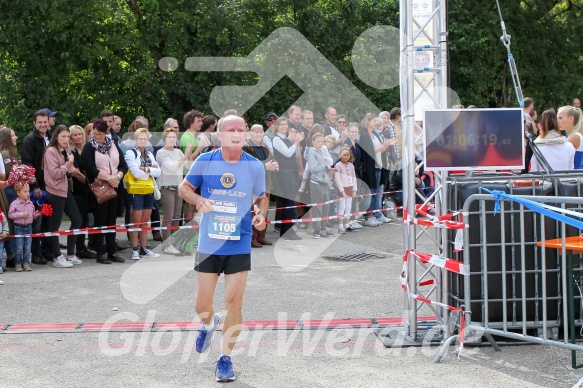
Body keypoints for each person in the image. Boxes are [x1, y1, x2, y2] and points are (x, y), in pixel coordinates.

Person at [178, 115, 268, 382]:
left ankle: (225, 358)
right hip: (209, 242)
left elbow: (262, 197)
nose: (236, 134)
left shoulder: (254, 166)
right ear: (219, 135)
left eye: (241, 130)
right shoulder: (205, 161)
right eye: (231, 130)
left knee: (234, 303)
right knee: (202, 305)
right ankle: (208, 323)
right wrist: (198, 200)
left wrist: (261, 214)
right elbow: (184, 187)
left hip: (239, 242)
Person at [81, 119, 128, 264]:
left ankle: (112, 250)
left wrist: (117, 177)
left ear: (106, 132)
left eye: (100, 134)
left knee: (111, 220)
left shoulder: (113, 145)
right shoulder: (89, 147)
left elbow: (123, 165)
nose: (96, 136)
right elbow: (89, 168)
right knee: (100, 220)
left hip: (114, 186)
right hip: (99, 187)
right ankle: (101, 252)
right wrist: (108, 178)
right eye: (94, 133)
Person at [43, 125, 84, 268]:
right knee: (55, 225)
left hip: (65, 189)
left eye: (67, 136)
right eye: (63, 136)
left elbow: (69, 170)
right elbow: (55, 173)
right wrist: (68, 164)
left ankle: (71, 254)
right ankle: (57, 257)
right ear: (56, 137)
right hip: (54, 191)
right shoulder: (50, 151)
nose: (66, 139)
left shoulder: (66, 150)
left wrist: (71, 169)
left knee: (77, 219)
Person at [124, 128, 161, 260]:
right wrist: (150, 171)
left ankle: (143, 248)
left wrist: (145, 169)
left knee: (145, 220)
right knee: (136, 221)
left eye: (145, 139)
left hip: (148, 190)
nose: (143, 141)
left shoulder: (149, 154)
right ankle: (134, 249)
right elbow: (135, 172)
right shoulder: (130, 153)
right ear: (135, 140)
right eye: (140, 138)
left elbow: (158, 172)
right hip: (135, 191)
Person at [21, 109, 52, 265]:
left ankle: (47, 252)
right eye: (39, 122)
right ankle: (36, 253)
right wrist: (35, 186)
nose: (42, 124)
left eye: (45, 122)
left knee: (49, 219)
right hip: (37, 189)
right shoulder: (29, 140)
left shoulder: (51, 138)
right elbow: (27, 165)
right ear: (34, 123)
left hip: (52, 186)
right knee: (37, 222)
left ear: (49, 122)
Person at [156, 127, 193, 254]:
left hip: (178, 187)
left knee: (177, 216)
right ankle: (166, 244)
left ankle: (175, 241)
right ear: (164, 138)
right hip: (167, 188)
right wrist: (186, 155)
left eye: (174, 136)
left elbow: (186, 166)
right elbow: (171, 167)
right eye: (169, 137)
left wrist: (189, 157)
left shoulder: (178, 152)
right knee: (168, 216)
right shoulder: (161, 153)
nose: (172, 139)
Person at [243, 124, 277, 247]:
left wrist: (275, 164)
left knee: (264, 210)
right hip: (251, 185)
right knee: (253, 211)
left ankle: (262, 236)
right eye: (255, 132)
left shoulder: (264, 146)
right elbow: (247, 165)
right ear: (250, 133)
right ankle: (252, 238)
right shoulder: (245, 147)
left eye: (260, 132)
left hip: (265, 183)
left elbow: (272, 159)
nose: (258, 134)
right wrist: (264, 166)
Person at [359, 113, 394, 226]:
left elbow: (380, 151)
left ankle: (378, 214)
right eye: (374, 120)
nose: (376, 122)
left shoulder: (376, 134)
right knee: (371, 192)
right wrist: (384, 146)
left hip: (379, 166)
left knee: (379, 192)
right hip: (370, 168)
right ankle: (368, 216)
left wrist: (386, 146)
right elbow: (369, 151)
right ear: (368, 121)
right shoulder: (364, 135)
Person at [271, 117, 303, 240]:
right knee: (288, 201)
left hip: (291, 172)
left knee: (289, 201)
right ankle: (288, 231)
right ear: (277, 127)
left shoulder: (287, 139)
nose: (284, 127)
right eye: (281, 125)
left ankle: (286, 230)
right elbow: (288, 153)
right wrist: (295, 143)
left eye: (285, 125)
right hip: (284, 174)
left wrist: (295, 143)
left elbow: (295, 154)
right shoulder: (277, 139)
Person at [69, 125, 96, 259]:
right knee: (78, 220)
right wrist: (88, 180)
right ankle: (78, 248)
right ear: (70, 137)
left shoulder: (86, 149)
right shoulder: (70, 152)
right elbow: (75, 172)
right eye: (75, 135)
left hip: (88, 189)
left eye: (80, 134)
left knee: (85, 219)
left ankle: (82, 247)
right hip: (77, 190)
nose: (79, 137)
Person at [307, 133, 335, 238]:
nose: (320, 144)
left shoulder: (320, 152)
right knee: (317, 208)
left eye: (322, 142)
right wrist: (326, 167)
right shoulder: (311, 152)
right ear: (313, 142)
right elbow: (313, 168)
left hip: (324, 183)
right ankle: (317, 230)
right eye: (318, 142)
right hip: (316, 183)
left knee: (326, 207)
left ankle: (323, 229)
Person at [0, 127, 18, 262]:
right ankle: (11, 254)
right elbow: (7, 175)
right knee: (10, 222)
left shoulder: (10, 153)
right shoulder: (5, 154)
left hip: (11, 189)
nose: (16, 137)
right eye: (12, 135)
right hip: (8, 190)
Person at [8, 184, 36, 272]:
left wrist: (36, 215)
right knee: (19, 247)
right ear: (18, 193)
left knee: (27, 247)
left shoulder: (30, 203)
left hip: (29, 227)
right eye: (25, 192)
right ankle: (18, 263)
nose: (28, 193)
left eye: (28, 191)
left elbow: (32, 215)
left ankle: (26, 263)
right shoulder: (14, 204)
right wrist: (21, 214)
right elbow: (10, 215)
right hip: (19, 228)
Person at [334, 147, 358, 233]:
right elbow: (337, 180)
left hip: (350, 188)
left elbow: (354, 178)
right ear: (340, 155)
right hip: (342, 189)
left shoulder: (351, 165)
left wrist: (354, 189)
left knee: (348, 207)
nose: (346, 156)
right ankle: (340, 226)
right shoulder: (338, 165)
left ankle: (347, 225)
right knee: (342, 207)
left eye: (347, 155)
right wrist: (342, 191)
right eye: (344, 155)